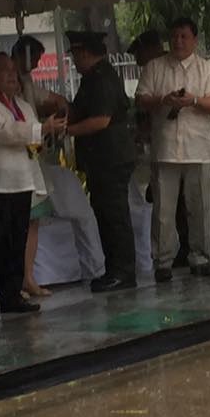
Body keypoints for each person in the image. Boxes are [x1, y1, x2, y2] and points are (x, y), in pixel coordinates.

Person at [0, 52, 66, 321]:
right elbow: (1, 131)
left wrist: (46, 134)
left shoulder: (23, 105)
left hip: (21, 179)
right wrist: (40, 128)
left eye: (13, 70)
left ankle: (11, 295)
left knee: (16, 242)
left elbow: (31, 139)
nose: (12, 75)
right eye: (5, 70)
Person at [129, 29, 210, 263]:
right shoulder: (157, 68)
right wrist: (163, 101)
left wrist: (192, 100)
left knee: (205, 200)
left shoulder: (202, 67)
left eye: (140, 56)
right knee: (167, 206)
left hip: (204, 140)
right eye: (175, 37)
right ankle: (177, 252)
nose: (178, 41)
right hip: (168, 147)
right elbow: (143, 102)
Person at [66, 30, 136, 292]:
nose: (73, 59)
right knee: (106, 215)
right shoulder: (90, 79)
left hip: (111, 157)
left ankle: (123, 271)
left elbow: (100, 120)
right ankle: (115, 268)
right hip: (101, 159)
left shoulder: (102, 78)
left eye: (74, 54)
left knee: (114, 215)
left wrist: (67, 131)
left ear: (84, 52)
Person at [11, 35, 68, 297]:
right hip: (11, 166)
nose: (33, 65)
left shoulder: (27, 85)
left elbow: (51, 100)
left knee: (33, 222)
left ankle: (28, 276)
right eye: (32, 58)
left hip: (33, 162)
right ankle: (15, 279)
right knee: (17, 223)